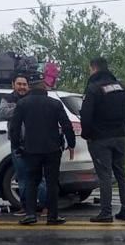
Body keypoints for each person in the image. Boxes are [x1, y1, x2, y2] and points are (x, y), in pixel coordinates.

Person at [9, 76, 76, 225]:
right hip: (52, 149)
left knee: (32, 181)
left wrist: (17, 146)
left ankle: (31, 214)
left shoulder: (22, 104)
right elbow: (66, 125)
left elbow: (14, 127)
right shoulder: (55, 104)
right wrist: (71, 144)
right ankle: (53, 216)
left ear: (31, 89)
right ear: (45, 89)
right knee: (52, 182)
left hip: (31, 149)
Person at [80, 57, 125, 223]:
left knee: (105, 176)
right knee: (121, 173)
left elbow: (86, 116)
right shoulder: (122, 87)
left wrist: (87, 135)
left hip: (100, 139)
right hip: (120, 137)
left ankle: (106, 212)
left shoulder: (93, 88)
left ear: (93, 69)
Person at [0, 73, 46, 216]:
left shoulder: (35, 98)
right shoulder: (8, 99)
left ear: (29, 86)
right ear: (13, 85)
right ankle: (25, 207)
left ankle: (45, 206)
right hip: (17, 144)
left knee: (40, 178)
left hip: (36, 143)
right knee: (22, 178)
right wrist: (22, 106)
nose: (22, 87)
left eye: (24, 84)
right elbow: (3, 113)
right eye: (19, 84)